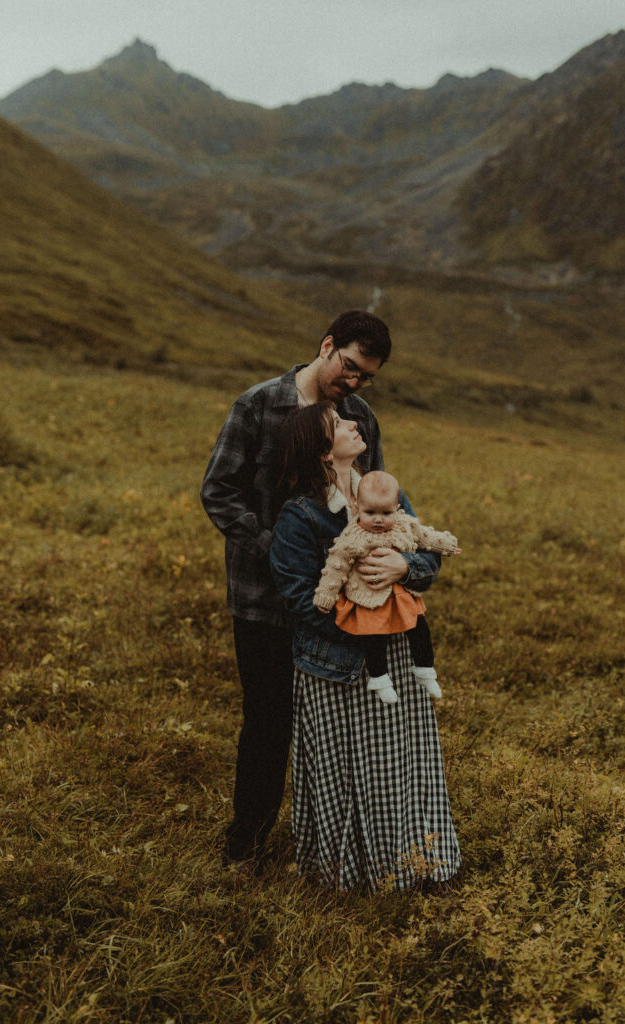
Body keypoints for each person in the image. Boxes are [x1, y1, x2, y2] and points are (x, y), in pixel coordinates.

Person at [201, 311, 418, 870]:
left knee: (334, 725)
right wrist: (280, 548)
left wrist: (395, 560)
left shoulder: (359, 416)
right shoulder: (259, 404)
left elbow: (378, 496)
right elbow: (219, 492)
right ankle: (245, 846)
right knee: (268, 722)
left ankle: (331, 844)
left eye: (366, 377)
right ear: (326, 346)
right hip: (261, 598)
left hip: (342, 603)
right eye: (349, 367)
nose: (354, 383)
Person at [270, 403, 461, 892]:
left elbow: (426, 557)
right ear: (320, 450)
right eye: (339, 425)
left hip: (396, 654)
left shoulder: (386, 491)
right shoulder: (300, 514)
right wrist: (366, 622)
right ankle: (352, 875)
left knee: (404, 763)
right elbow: (298, 597)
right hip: (335, 662)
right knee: (347, 772)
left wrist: (406, 569)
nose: (355, 424)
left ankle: (418, 865)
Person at [313, 470, 460, 705]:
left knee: (420, 628)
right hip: (368, 596)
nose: (379, 520)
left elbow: (426, 536)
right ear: (357, 506)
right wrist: (326, 596)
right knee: (374, 638)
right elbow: (336, 565)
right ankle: (379, 678)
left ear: (397, 507)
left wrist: (448, 545)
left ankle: (425, 669)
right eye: (370, 513)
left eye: (386, 513)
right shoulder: (353, 536)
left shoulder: (403, 524)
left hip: (400, 594)